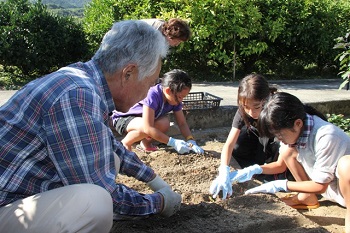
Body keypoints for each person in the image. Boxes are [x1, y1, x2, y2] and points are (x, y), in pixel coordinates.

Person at [0, 20, 182, 233]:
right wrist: (158, 203)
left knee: (109, 160)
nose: (148, 92)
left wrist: (153, 180)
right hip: (7, 203)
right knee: (95, 203)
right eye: (150, 83)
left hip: (18, 192)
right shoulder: (77, 97)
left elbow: (110, 146)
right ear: (128, 73)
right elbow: (106, 193)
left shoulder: (82, 79)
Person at [241, 92, 350, 233]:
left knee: (346, 165)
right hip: (334, 191)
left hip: (341, 191)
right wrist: (254, 169)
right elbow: (280, 165)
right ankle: (307, 198)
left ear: (298, 123)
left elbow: (320, 186)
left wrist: (280, 184)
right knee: (287, 151)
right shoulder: (295, 132)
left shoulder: (327, 136)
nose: (278, 139)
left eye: (280, 134)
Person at [209, 74, 293, 200]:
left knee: (278, 157)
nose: (251, 113)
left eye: (257, 107)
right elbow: (229, 144)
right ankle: (259, 168)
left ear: (267, 98)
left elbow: (282, 163)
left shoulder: (276, 110)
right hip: (260, 139)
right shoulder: (244, 109)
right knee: (238, 145)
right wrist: (224, 170)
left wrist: (254, 169)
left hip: (278, 141)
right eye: (246, 107)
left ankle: (269, 173)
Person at [111, 69, 204, 155]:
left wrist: (190, 140)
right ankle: (125, 143)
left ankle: (145, 144)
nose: (181, 101)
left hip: (144, 120)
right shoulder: (152, 94)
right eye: (180, 97)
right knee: (146, 127)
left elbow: (182, 123)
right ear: (168, 91)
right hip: (124, 118)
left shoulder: (175, 98)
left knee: (164, 123)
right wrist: (173, 142)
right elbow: (148, 127)